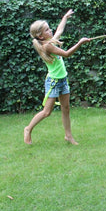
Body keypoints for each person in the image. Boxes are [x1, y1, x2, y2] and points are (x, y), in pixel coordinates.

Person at [24, 9, 90, 145]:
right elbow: (66, 54)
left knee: (66, 109)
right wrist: (80, 43)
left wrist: (65, 17)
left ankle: (68, 136)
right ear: (40, 36)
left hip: (62, 80)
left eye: (49, 28)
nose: (51, 31)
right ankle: (28, 129)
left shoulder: (51, 40)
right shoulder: (47, 46)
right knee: (47, 112)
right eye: (47, 30)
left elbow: (59, 30)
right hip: (53, 82)